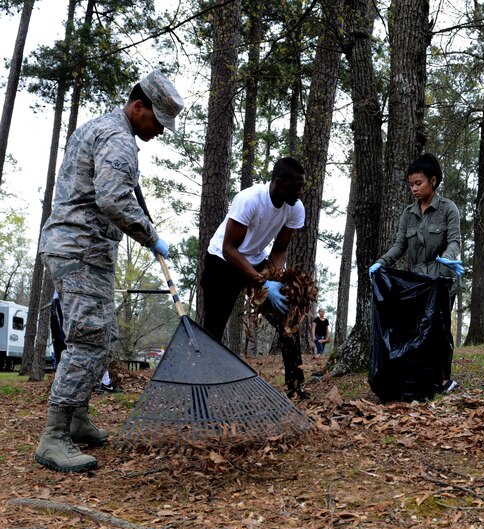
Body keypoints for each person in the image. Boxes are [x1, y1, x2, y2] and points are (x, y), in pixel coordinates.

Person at [36, 69, 183, 473]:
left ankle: (79, 419)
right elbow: (114, 198)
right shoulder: (119, 139)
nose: (160, 132)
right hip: (79, 248)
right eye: (157, 122)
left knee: (104, 335)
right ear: (139, 107)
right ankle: (53, 436)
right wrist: (150, 236)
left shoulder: (101, 128)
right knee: (88, 339)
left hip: (86, 250)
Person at [201, 157, 308, 399]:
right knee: (213, 329)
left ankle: (296, 386)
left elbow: (279, 250)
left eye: (302, 186)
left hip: (256, 260)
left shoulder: (295, 207)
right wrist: (262, 282)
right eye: (295, 186)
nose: (300, 192)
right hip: (222, 262)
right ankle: (202, 392)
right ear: (278, 182)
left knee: (288, 317)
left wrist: (276, 279)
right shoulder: (249, 199)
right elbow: (229, 248)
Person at [369, 153, 463, 392]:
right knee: (417, 330)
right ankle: (420, 378)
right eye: (411, 184)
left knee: (440, 330)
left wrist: (448, 259)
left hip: (441, 279)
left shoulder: (447, 209)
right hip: (417, 283)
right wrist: (382, 263)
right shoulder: (408, 214)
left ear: (433, 181)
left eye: (418, 183)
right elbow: (400, 245)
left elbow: (454, 241)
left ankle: (443, 379)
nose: (414, 189)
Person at [50, 289, 119, 392]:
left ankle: (102, 382)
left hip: (93, 296)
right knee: (73, 343)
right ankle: (67, 387)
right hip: (72, 299)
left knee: (104, 338)